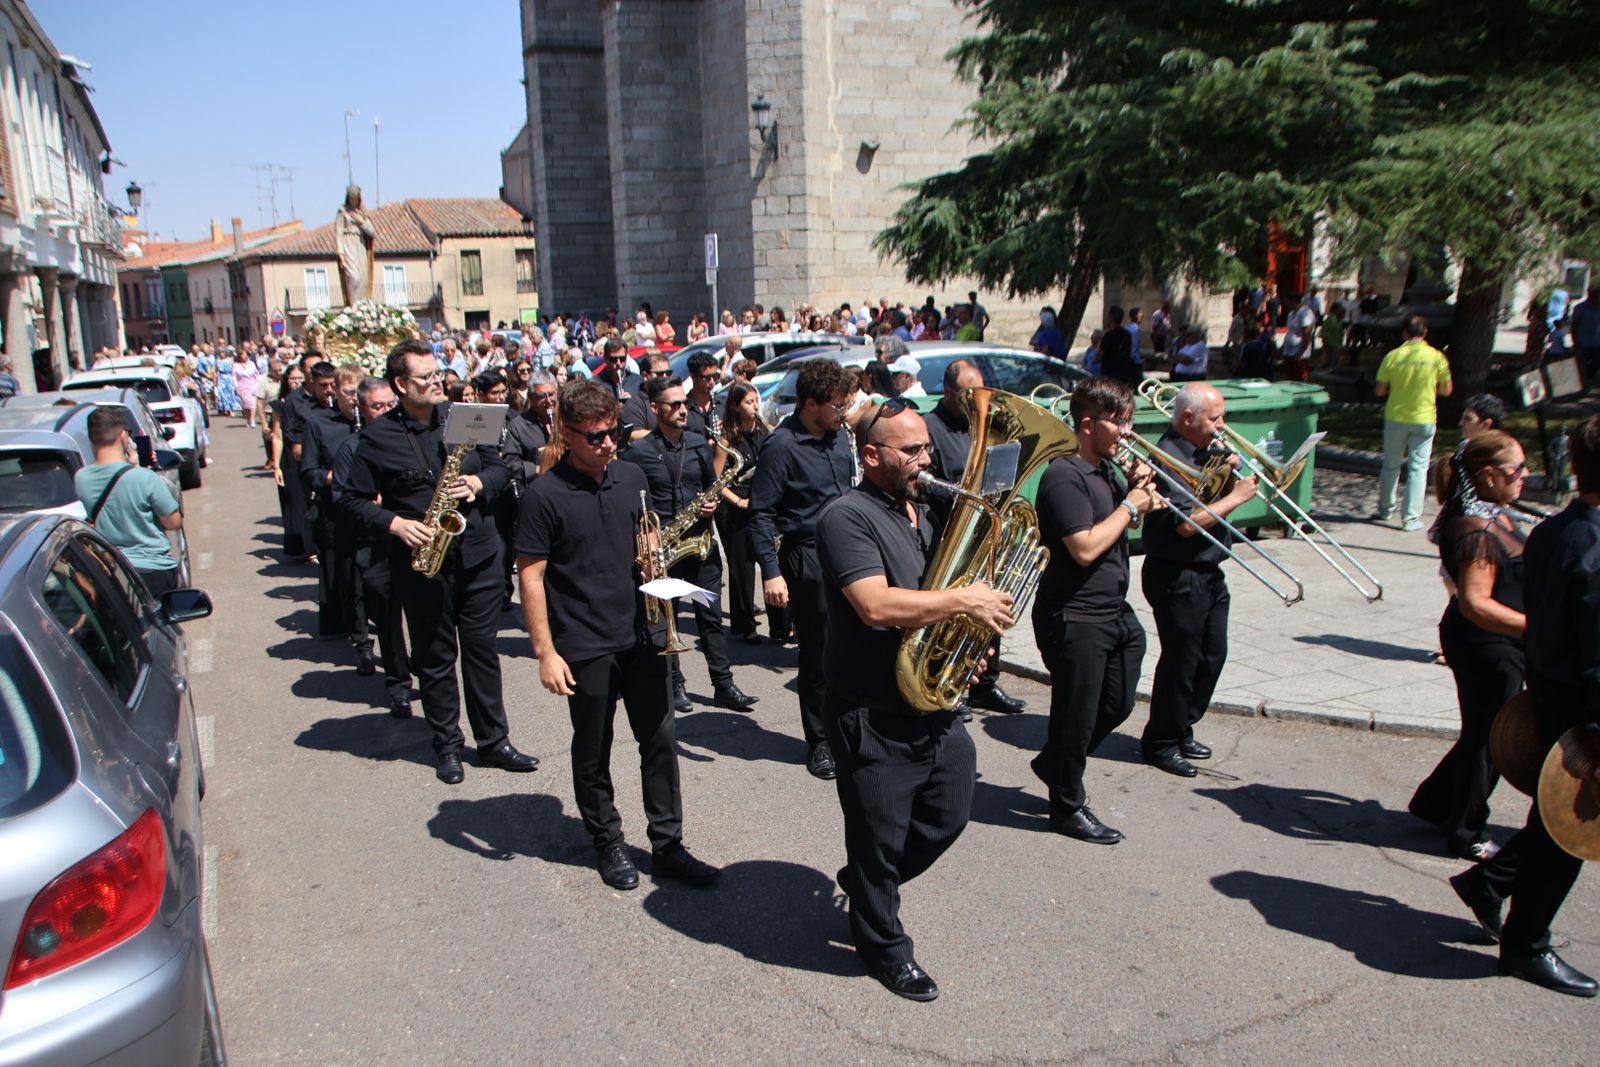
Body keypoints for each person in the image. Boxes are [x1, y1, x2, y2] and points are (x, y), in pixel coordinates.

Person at [818, 398, 1013, 1002]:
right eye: (911, 450)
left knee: (950, 812)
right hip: (870, 708)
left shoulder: (930, 511)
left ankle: (870, 885)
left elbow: (946, 595)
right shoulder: (845, 517)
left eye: (927, 447)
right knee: (877, 835)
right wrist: (965, 604)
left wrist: (967, 644)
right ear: (871, 455)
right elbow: (875, 605)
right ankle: (884, 947)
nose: (926, 460)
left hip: (930, 701)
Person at [516, 378, 721, 891]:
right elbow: (531, 576)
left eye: (614, 432)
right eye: (594, 436)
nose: (607, 443)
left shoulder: (630, 476)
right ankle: (607, 841)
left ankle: (668, 845)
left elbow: (645, 537)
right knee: (593, 746)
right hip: (584, 641)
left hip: (643, 631)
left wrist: (659, 559)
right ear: (566, 433)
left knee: (659, 741)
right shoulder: (544, 495)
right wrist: (545, 652)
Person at [338, 340, 539, 784]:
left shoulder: (466, 415)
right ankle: (446, 743)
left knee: (483, 649)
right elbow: (350, 502)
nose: (435, 382)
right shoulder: (375, 437)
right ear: (400, 384)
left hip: (479, 554)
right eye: (424, 377)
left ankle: (493, 742)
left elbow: (504, 468)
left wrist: (479, 482)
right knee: (434, 655)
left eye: (436, 374)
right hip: (421, 559)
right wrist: (395, 525)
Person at [1448, 414, 1600, 997]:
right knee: (1571, 831)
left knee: (1555, 822)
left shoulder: (1554, 530)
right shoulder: (1587, 543)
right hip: (1580, 706)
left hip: (1554, 694)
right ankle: (1525, 944)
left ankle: (1492, 887)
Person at [1030, 377, 1155, 843]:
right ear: (1087, 424)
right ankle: (1066, 805)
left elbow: (1118, 529)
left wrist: (1138, 496)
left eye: (1129, 421)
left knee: (1118, 702)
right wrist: (1131, 506)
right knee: (1074, 716)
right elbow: (1083, 548)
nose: (1127, 431)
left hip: (1113, 610)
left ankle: (1056, 762)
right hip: (1075, 615)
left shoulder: (1106, 471)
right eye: (1119, 422)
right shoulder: (1064, 475)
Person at [1408, 430, 1528, 861]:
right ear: (1490, 476)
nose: (1525, 475)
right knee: (1491, 740)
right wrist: (1535, 627)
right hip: (1487, 646)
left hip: (1499, 644)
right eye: (1517, 468)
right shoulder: (1474, 531)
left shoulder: (1498, 513)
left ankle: (1435, 803)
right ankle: (1466, 830)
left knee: (1483, 733)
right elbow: (1476, 603)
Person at [1138, 384, 1258, 778]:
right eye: (1215, 418)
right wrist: (1237, 495)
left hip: (1209, 569)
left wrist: (1228, 473)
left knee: (1212, 655)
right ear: (1188, 418)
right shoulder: (1167, 457)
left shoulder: (1207, 452)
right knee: (1181, 662)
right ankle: (1161, 741)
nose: (1222, 425)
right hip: (1177, 572)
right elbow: (1187, 525)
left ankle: (1181, 724)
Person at [619, 375, 757, 713]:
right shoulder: (638, 452)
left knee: (710, 618)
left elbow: (711, 484)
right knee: (670, 619)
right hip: (664, 546)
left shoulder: (697, 443)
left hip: (700, 542)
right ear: (655, 408)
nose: (683, 409)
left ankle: (723, 684)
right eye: (674, 404)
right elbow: (635, 503)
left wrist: (712, 503)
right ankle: (675, 684)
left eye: (684, 403)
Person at [749, 358, 857, 780]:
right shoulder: (781, 446)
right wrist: (771, 572)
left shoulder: (838, 436)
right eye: (837, 405)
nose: (843, 413)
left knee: (856, 647)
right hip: (808, 557)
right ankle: (820, 741)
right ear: (811, 403)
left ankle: (850, 728)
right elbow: (760, 515)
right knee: (820, 655)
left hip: (849, 551)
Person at [920, 360, 1027, 718]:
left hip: (984, 536)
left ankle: (984, 683)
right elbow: (923, 485)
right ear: (948, 392)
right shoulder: (930, 429)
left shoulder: (980, 425)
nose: (978, 400)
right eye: (969, 394)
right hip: (947, 535)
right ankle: (949, 682)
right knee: (952, 612)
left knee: (989, 606)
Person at [331, 377, 413, 717]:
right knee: (389, 620)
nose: (384, 412)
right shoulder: (352, 448)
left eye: (388, 405)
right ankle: (399, 685)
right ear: (361, 409)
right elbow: (344, 498)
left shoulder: (406, 440)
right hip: (376, 545)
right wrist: (377, 507)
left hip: (413, 541)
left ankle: (424, 667)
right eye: (376, 406)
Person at [74, 407, 184, 596]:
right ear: (123, 435)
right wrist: (141, 469)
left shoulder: (81, 478)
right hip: (153, 569)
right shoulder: (144, 477)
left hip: (112, 570)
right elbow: (173, 522)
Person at [301, 365, 365, 639]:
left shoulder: (372, 420)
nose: (354, 398)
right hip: (336, 510)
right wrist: (339, 475)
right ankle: (345, 626)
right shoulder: (319, 423)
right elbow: (309, 472)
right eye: (349, 392)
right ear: (334, 391)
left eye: (358, 392)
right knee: (341, 572)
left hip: (369, 509)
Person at [1375, 315, 1453, 531]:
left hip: (1396, 417)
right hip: (1424, 417)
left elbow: (1380, 390)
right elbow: (1447, 390)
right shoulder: (1437, 357)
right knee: (1418, 468)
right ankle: (1410, 518)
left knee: (1390, 465)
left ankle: (1385, 508)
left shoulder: (1393, 356)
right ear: (1425, 332)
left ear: (1404, 333)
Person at [715, 381, 771, 641]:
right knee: (742, 567)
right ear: (736, 406)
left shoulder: (763, 432)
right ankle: (746, 625)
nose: (755, 406)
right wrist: (737, 502)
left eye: (756, 400)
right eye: (749, 402)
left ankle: (782, 625)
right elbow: (715, 482)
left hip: (762, 500)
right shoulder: (727, 439)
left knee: (771, 560)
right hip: (737, 504)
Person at [269, 366, 311, 556]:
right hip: (289, 455)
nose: (296, 381)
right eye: (292, 378)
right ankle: (305, 547)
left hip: (308, 452)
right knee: (296, 501)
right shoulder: (281, 404)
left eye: (299, 378)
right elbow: (276, 435)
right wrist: (276, 465)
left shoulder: (313, 402)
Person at [1098, 306, 1137, 384]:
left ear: (1110, 318)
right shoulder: (1127, 335)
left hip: (1109, 373)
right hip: (1123, 372)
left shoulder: (1108, 335)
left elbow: (1098, 356)